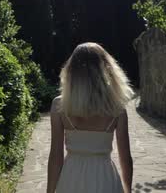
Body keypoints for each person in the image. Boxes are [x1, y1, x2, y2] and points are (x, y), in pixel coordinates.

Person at [47, 42, 134, 193]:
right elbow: (125, 158)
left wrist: (49, 191)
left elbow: (55, 156)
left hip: (71, 178)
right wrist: (128, 189)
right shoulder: (117, 109)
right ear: (107, 70)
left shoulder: (59, 106)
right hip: (104, 178)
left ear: (72, 71)